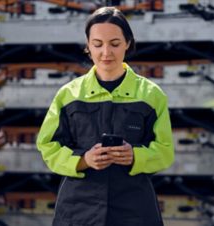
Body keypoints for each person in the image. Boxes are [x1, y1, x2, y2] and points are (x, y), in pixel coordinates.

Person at [36, 6, 174, 226]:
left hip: (135, 210)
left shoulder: (151, 95)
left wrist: (135, 157)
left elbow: (165, 150)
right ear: (88, 47)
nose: (106, 53)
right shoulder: (69, 95)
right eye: (97, 44)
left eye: (115, 44)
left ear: (128, 43)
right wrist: (83, 160)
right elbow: (48, 146)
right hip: (78, 210)